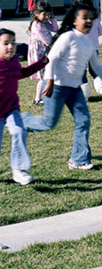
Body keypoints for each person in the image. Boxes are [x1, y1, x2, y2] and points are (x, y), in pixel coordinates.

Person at [22, 3, 102, 171]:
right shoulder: (67, 38)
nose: (88, 21)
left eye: (90, 18)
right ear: (74, 21)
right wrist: (49, 82)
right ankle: (20, 122)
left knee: (83, 120)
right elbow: (51, 58)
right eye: (84, 18)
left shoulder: (88, 42)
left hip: (74, 89)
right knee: (48, 123)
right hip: (56, 87)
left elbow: (97, 65)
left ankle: (78, 160)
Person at [0, 28, 48, 184]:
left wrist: (41, 64)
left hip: (11, 109)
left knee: (19, 131)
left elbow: (21, 73)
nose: (10, 47)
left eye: (13, 43)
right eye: (6, 43)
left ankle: (18, 170)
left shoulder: (14, 61)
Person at [27, 1, 58, 106]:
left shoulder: (44, 23)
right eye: (44, 14)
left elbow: (55, 29)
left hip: (44, 52)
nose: (47, 16)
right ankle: (37, 99)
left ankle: (44, 96)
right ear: (36, 14)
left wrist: (52, 18)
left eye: (48, 14)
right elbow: (48, 40)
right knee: (44, 76)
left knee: (47, 75)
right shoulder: (38, 26)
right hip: (40, 54)